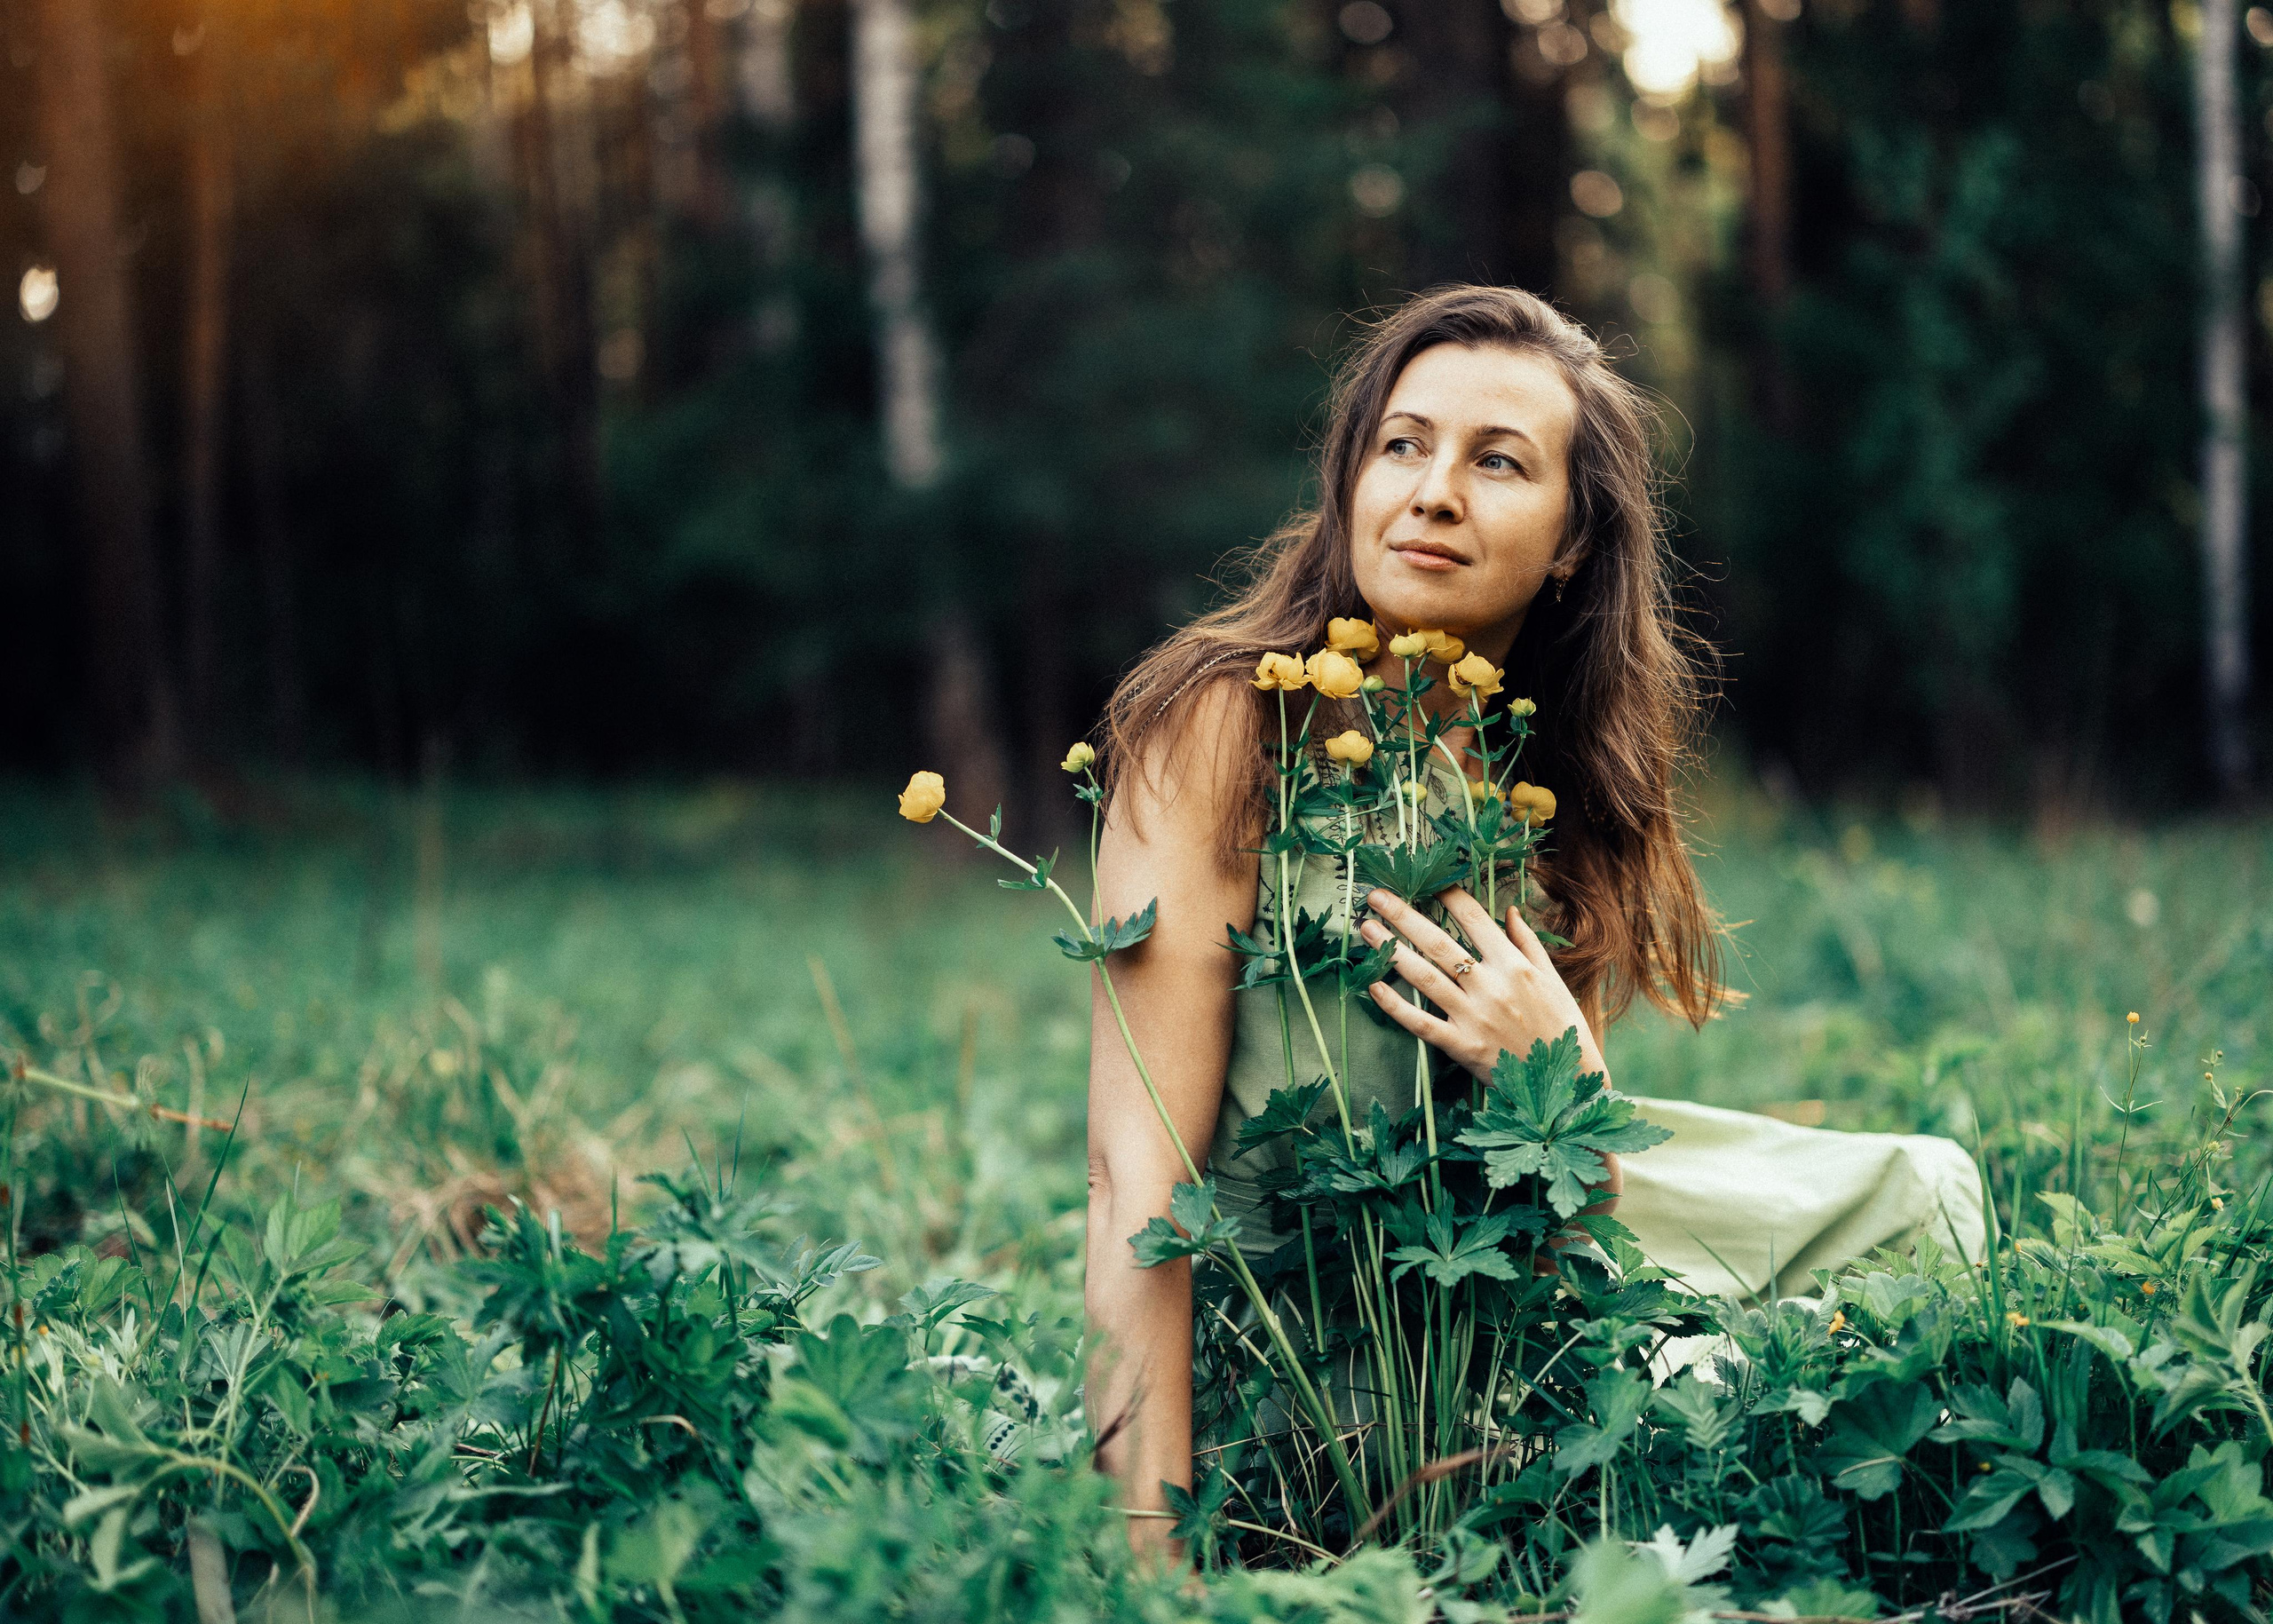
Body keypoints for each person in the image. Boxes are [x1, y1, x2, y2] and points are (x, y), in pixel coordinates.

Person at [1081, 285, 1982, 1557]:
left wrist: (1562, 1079)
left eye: (1498, 461)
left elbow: (1567, 1208)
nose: (1434, 492)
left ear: (1571, 541)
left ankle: (1786, 1431)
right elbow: (1134, 1181)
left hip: (1492, 1311)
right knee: (1763, 1363)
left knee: (1931, 1195)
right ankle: (1736, 1420)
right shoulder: (1228, 727)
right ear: (1350, 482)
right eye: (1403, 444)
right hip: (1298, 1353)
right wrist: (1146, 1563)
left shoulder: (1534, 782)